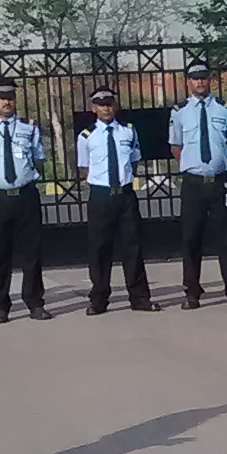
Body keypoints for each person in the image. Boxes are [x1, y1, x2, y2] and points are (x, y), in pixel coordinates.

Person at [170, 60, 227, 308]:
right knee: (191, 237)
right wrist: (192, 165)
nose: (200, 82)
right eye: (195, 78)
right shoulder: (179, 111)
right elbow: (176, 146)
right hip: (193, 183)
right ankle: (192, 292)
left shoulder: (224, 109)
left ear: (210, 80)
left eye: (203, 78)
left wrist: (219, 161)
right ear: (188, 82)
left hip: (219, 182)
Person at [0, 79, 48, 323]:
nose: (7, 102)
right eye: (2, 98)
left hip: (25, 196)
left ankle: (35, 302)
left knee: (31, 253)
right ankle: (0, 306)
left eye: (10, 97)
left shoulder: (29, 127)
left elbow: (39, 159)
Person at [76, 88, 154, 315]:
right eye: (101, 105)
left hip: (125, 195)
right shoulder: (86, 136)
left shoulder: (128, 131)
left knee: (133, 247)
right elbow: (84, 168)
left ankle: (139, 298)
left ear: (115, 106)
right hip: (101, 195)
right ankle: (99, 299)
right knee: (100, 248)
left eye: (109, 104)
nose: (106, 109)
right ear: (94, 108)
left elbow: (134, 161)